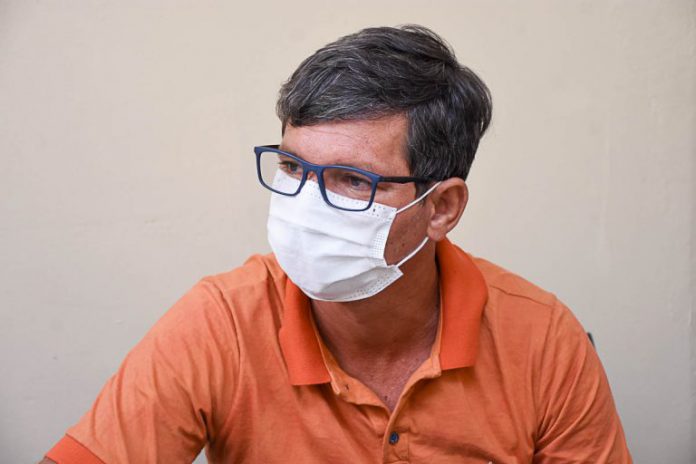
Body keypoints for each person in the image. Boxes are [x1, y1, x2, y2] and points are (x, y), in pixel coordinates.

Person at [42, 25, 631, 463]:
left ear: (441, 208)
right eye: (293, 168)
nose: (306, 206)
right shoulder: (222, 321)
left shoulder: (542, 339)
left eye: (352, 180)